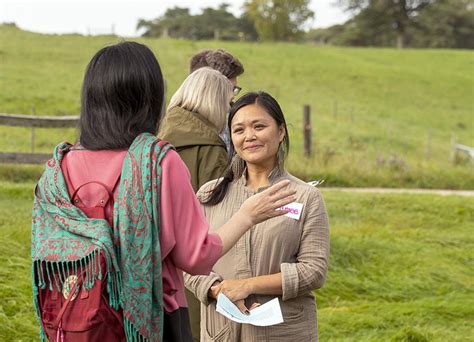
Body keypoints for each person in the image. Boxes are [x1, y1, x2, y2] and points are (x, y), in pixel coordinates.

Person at [31, 43, 296, 342]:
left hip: (73, 313)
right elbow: (195, 255)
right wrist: (247, 216)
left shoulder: (59, 166)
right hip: (149, 321)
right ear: (150, 97)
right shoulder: (157, 162)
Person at [185, 91, 330, 341]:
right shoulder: (209, 194)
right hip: (222, 329)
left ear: (281, 131)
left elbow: (313, 270)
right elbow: (189, 262)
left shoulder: (304, 197)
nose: (249, 136)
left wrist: (247, 285)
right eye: (239, 130)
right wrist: (217, 289)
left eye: (259, 126)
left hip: (283, 332)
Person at [159, 67, 232, 192]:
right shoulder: (212, 148)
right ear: (218, 103)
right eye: (228, 103)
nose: (228, 109)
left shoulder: (159, 132)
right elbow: (217, 206)